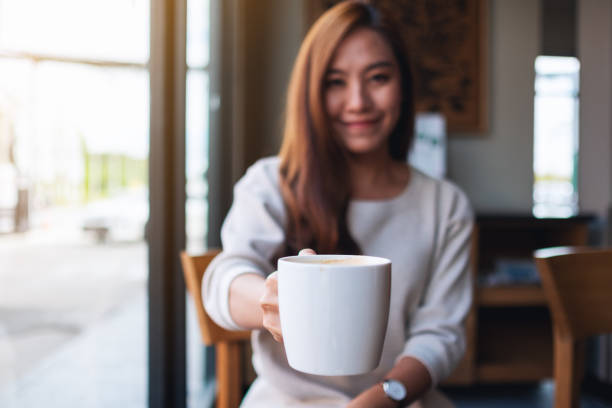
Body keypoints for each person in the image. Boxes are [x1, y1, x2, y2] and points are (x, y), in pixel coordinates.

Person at [203, 1, 474, 406]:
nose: (358, 101)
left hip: (398, 399)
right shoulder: (271, 183)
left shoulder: (444, 206)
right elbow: (225, 277)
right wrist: (270, 303)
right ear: (311, 91)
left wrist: (383, 398)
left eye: (378, 78)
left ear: (403, 85)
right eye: (335, 82)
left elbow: (442, 332)